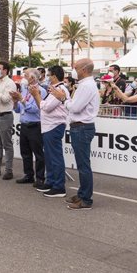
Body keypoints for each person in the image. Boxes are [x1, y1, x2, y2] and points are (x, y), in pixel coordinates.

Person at [49, 58, 99, 209]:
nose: (73, 70)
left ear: (84, 69)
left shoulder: (86, 86)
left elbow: (75, 108)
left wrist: (62, 98)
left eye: (76, 67)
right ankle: (82, 194)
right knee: (82, 164)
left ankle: (86, 199)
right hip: (80, 127)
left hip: (82, 127)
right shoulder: (86, 85)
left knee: (83, 165)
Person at [31, 65, 70, 195]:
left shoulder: (59, 89)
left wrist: (36, 95)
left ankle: (59, 186)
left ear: (53, 76)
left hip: (54, 126)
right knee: (49, 156)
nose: (46, 77)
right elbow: (43, 106)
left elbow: (46, 107)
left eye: (48, 75)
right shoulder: (54, 89)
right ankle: (50, 181)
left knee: (55, 157)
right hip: (48, 126)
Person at [10, 69, 46, 185]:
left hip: (35, 124)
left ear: (32, 78)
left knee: (38, 153)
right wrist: (16, 102)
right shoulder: (25, 89)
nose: (23, 78)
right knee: (25, 152)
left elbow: (35, 109)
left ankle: (40, 177)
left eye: (25, 76)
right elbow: (19, 109)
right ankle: (28, 175)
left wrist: (21, 99)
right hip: (24, 124)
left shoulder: (40, 91)